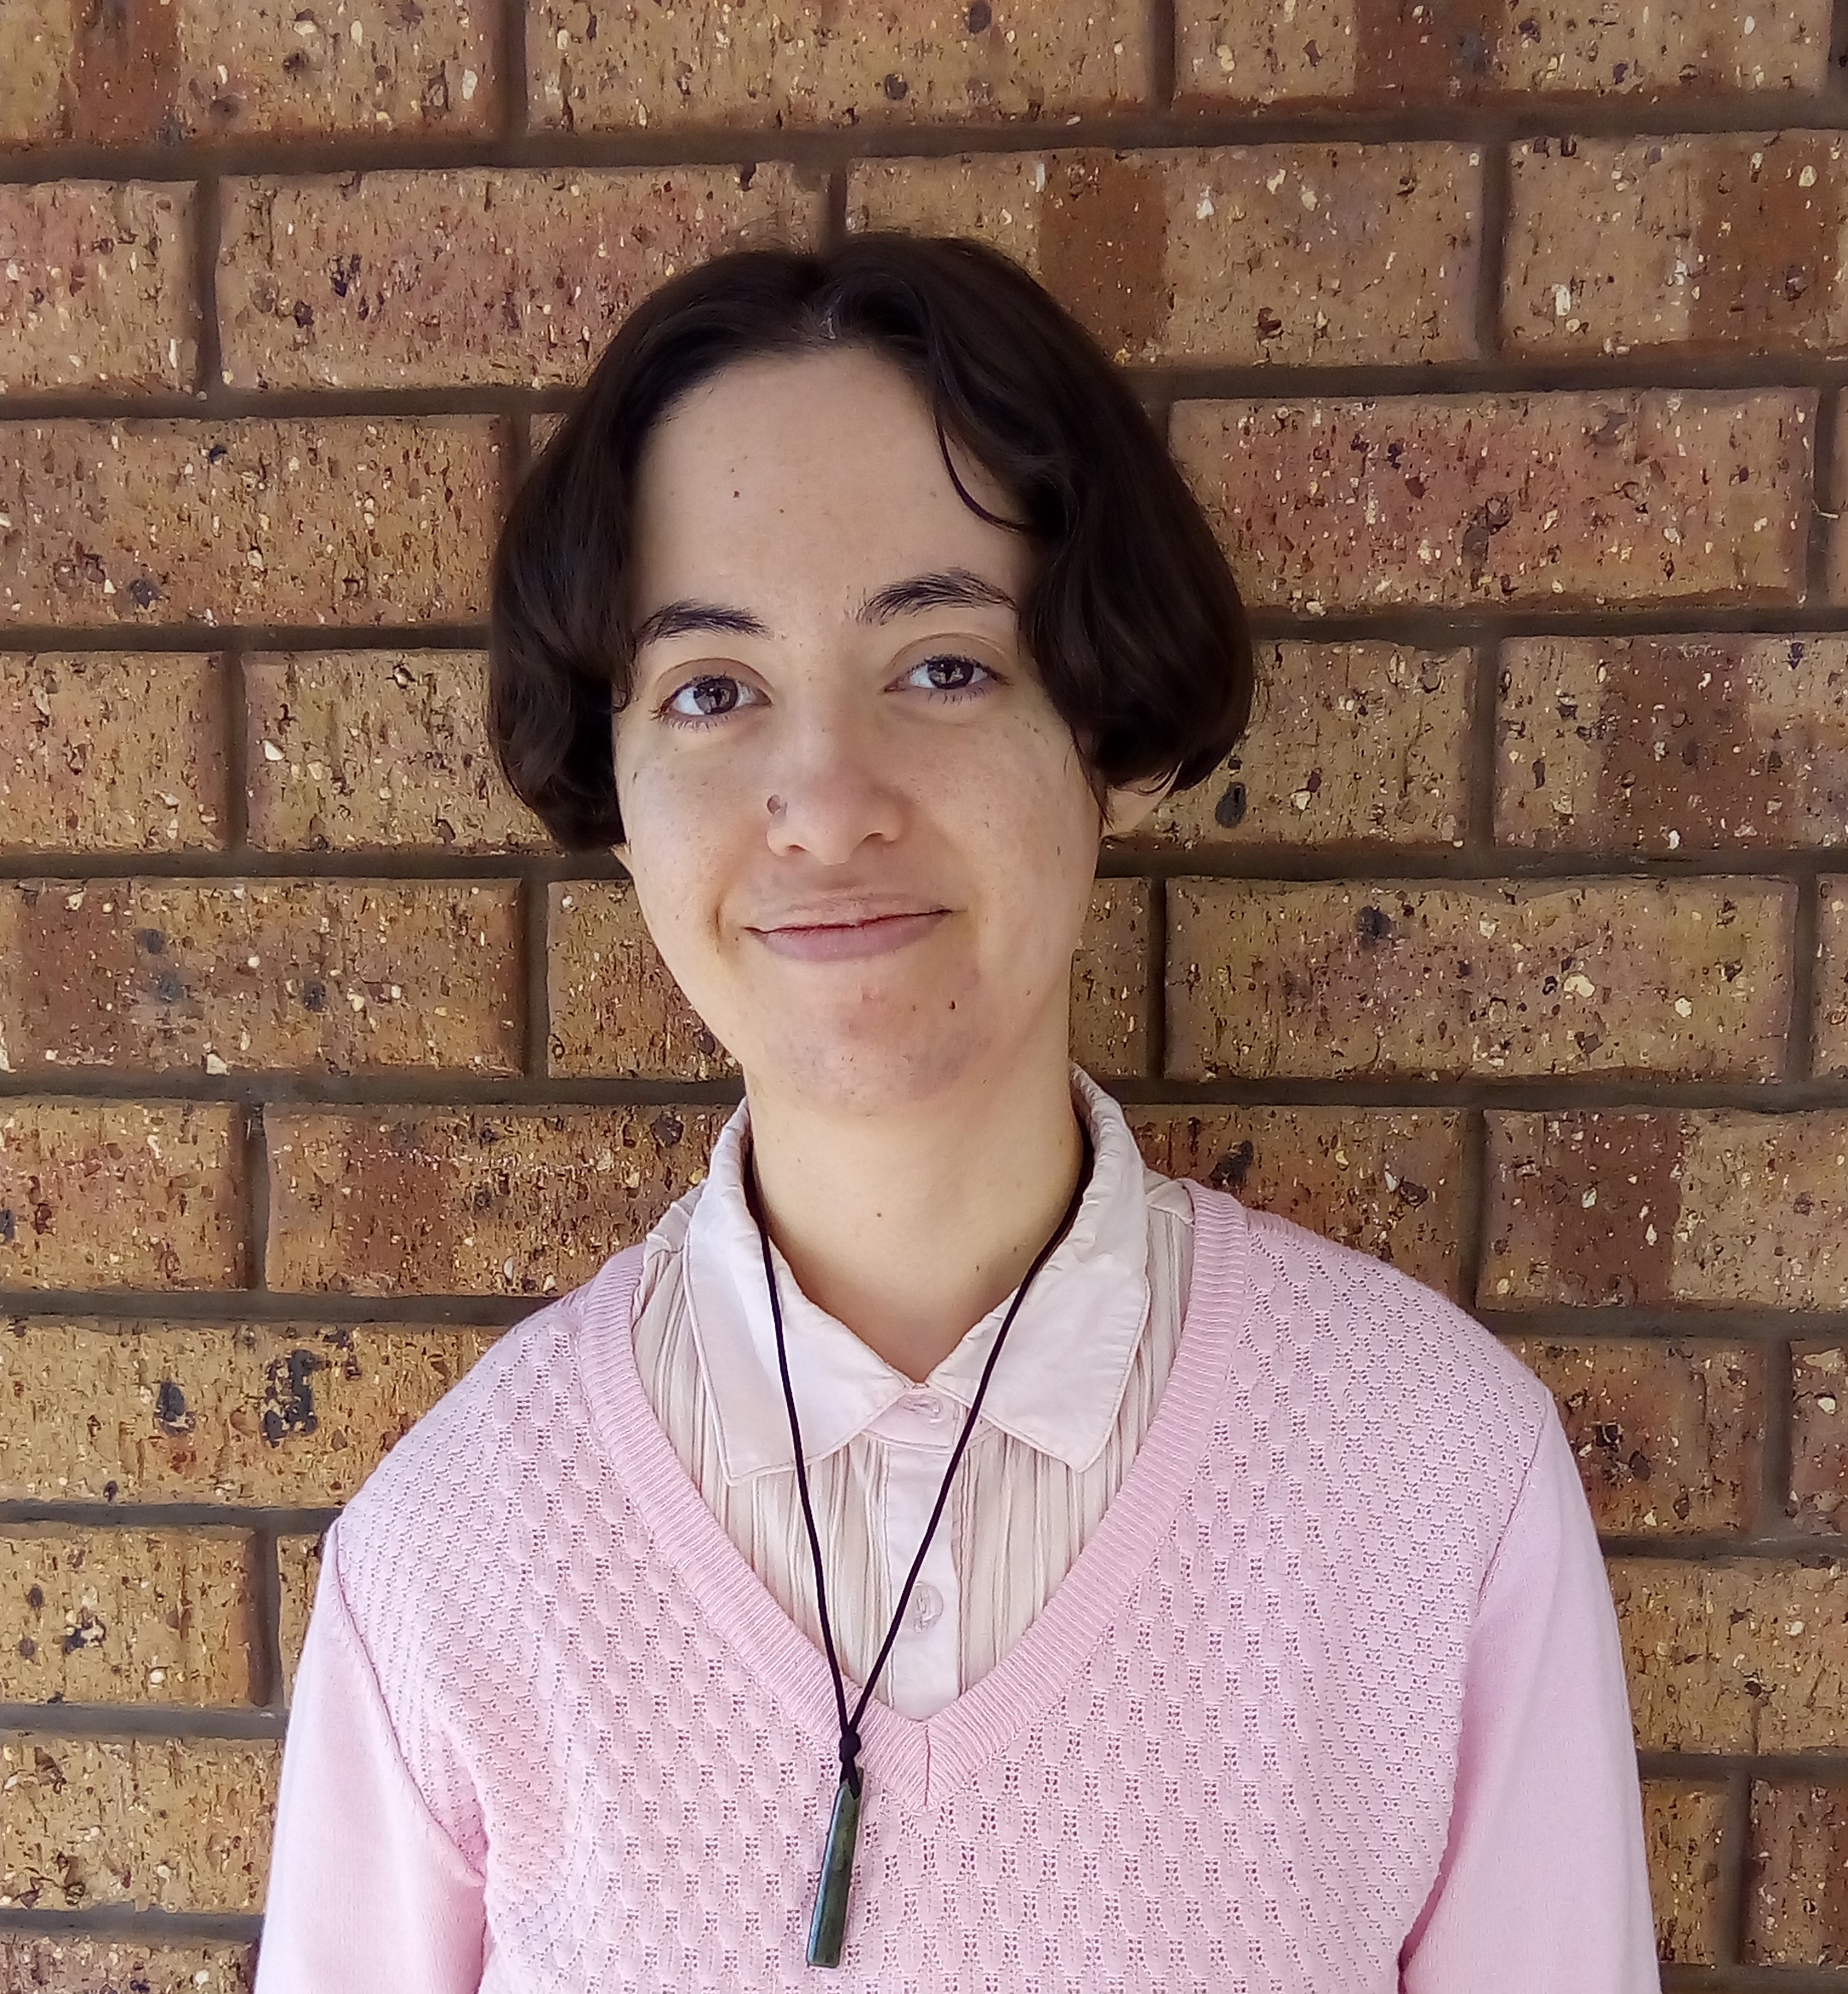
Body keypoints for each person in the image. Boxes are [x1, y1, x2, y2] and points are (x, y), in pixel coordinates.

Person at [251, 232, 1661, 1991]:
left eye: (942, 664)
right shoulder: (450, 1555)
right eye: (711, 689)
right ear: (609, 779)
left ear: (1109, 726)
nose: (825, 801)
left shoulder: (1442, 1485)